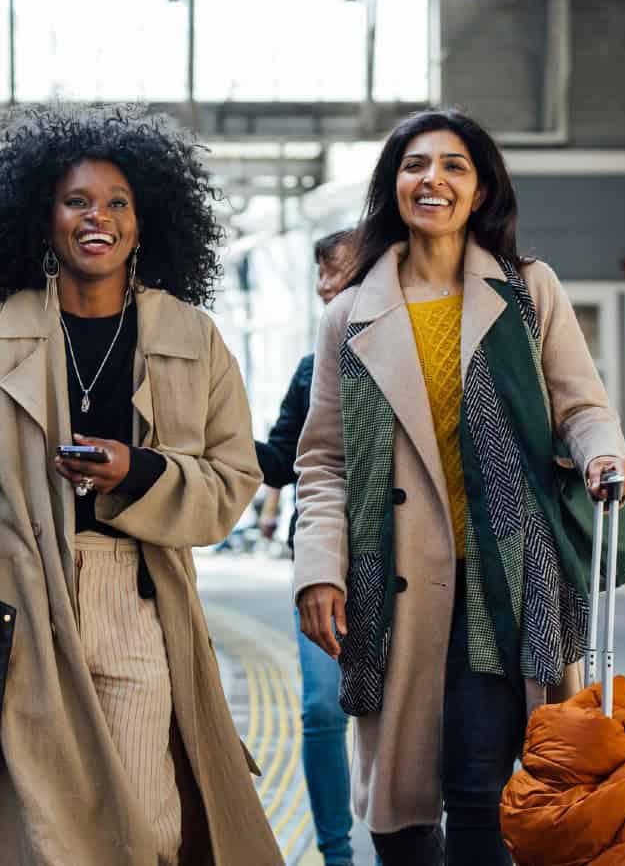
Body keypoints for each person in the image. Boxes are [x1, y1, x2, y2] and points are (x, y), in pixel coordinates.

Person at [0, 105, 281, 866]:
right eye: (77, 201)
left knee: (145, 824)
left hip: (137, 599)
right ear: (42, 219)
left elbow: (234, 476)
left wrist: (138, 471)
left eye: (117, 203)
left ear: (145, 223)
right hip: (19, 606)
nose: (97, 218)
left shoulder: (193, 336)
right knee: (45, 837)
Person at [292, 107, 625, 866]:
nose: (433, 179)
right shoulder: (351, 313)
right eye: (416, 165)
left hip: (504, 580)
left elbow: (581, 404)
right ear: (395, 186)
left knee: (479, 787)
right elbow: (323, 459)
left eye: (453, 166)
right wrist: (318, 566)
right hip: (395, 585)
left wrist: (603, 454)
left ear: (479, 191)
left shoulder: (526, 291)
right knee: (398, 811)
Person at [254, 228, 366, 866]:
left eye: (337, 274)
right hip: (322, 562)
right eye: (319, 278)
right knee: (324, 708)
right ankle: (336, 855)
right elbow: (279, 462)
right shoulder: (309, 368)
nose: (325, 287)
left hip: (402, 564)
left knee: (405, 725)